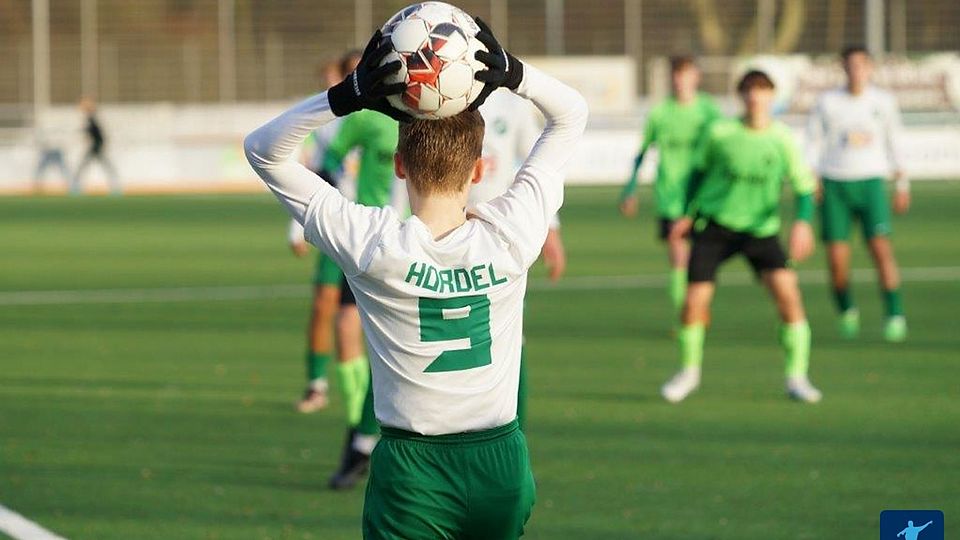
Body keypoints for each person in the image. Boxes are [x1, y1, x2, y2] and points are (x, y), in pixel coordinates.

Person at [245, 18, 587, 539]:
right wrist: (513, 73)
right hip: (502, 465)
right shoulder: (513, 232)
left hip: (413, 470)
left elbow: (263, 149)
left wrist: (347, 95)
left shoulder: (373, 244)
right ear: (479, 169)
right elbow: (571, 115)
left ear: (399, 165)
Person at [661, 70, 822, 404]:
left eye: (762, 91)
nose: (755, 97)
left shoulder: (781, 139)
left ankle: (797, 377)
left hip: (761, 232)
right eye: (749, 91)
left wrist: (803, 223)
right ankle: (689, 373)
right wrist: (685, 215)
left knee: (789, 298)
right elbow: (697, 175)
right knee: (693, 303)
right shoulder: (720, 133)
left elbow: (804, 188)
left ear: (772, 97)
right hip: (715, 228)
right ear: (741, 97)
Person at [476, 89, 567, 429]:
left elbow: (537, 169)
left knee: (511, 337)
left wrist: (551, 231)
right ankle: (368, 438)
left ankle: (515, 436)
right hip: (437, 230)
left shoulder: (511, 104)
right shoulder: (433, 96)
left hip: (498, 237)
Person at [806, 45, 909, 342]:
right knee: (837, 259)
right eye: (850, 66)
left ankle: (895, 314)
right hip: (835, 183)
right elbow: (812, 142)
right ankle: (847, 310)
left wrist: (902, 184)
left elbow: (894, 142)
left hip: (871, 183)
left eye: (861, 66)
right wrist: (811, 178)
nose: (856, 72)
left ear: (870, 68)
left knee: (881, 250)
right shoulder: (828, 102)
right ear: (843, 68)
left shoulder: (883, 101)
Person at [619, 56, 722, 317]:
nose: (680, 81)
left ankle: (696, 305)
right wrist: (630, 190)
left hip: (703, 194)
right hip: (671, 195)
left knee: (701, 257)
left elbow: (723, 148)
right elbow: (642, 152)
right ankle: (685, 313)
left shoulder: (709, 112)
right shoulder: (660, 113)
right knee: (678, 256)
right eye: (676, 76)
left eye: (685, 75)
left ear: (695, 78)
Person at [289, 58, 350, 414]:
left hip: (382, 229)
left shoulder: (388, 118)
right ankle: (316, 385)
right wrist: (296, 226)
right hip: (339, 230)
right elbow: (314, 175)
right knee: (323, 305)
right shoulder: (329, 127)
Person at [72, 97, 121, 195]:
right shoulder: (91, 120)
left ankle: (115, 187)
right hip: (95, 147)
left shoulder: (92, 120)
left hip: (96, 147)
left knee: (87, 167)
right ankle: (75, 187)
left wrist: (99, 144)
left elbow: (97, 134)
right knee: (86, 167)